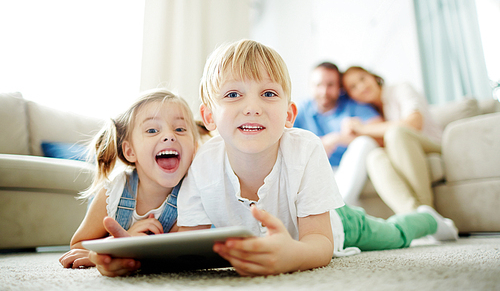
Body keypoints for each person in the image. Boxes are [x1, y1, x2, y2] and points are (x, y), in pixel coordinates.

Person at [89, 40, 458, 277]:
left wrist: (293, 256)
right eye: (233, 95)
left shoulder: (305, 148)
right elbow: (191, 243)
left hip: (335, 223)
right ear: (210, 116)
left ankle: (423, 219)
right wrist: (137, 259)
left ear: (288, 114)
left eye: (268, 93)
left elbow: (319, 243)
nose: (252, 107)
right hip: (283, 234)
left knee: (393, 235)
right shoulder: (202, 163)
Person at [59, 89, 201, 270]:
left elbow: (182, 255)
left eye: (180, 129)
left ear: (194, 148)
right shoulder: (114, 190)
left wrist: (134, 248)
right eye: (152, 130)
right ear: (129, 151)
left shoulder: (194, 193)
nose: (169, 135)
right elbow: (79, 245)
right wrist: (123, 241)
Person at [341, 66, 443, 214]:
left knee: (396, 134)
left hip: (430, 144)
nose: (362, 86)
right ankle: (416, 217)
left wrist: (362, 128)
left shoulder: (401, 89)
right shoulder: (372, 114)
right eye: (353, 87)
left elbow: (413, 124)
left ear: (372, 76)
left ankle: (426, 208)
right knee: (374, 157)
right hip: (403, 155)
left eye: (362, 79)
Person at [294, 62, 382, 205]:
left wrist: (337, 139)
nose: (324, 91)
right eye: (318, 85)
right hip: (317, 172)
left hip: (349, 170)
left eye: (330, 85)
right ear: (310, 86)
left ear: (339, 87)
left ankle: (340, 205)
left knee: (364, 143)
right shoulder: (300, 109)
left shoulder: (352, 105)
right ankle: (341, 206)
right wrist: (316, 144)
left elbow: (379, 131)